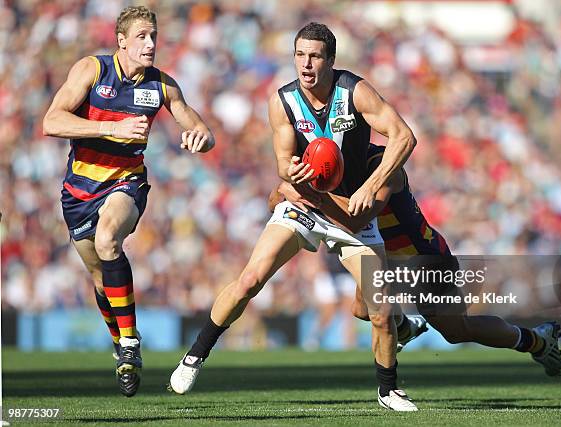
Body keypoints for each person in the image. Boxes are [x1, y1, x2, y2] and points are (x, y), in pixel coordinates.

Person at [170, 22, 420, 411]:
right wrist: (293, 177)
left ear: (331, 61)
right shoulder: (282, 102)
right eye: (300, 55)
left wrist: (371, 185)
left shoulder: (355, 91)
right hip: (306, 204)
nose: (306, 64)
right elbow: (284, 168)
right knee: (250, 279)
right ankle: (195, 356)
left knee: (380, 308)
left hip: (350, 208)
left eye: (315, 56)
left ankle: (388, 391)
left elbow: (403, 136)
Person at [276, 143, 561, 387]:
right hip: (385, 258)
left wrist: (312, 196)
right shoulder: (329, 164)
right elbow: (277, 197)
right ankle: (404, 326)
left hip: (422, 258)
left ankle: (537, 340)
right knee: (361, 310)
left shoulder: (382, 164)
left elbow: (358, 216)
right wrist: (286, 192)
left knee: (457, 331)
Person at [42, 6, 214, 397]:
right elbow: (51, 121)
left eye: (154, 35)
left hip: (127, 183)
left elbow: (200, 126)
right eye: (142, 36)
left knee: (108, 240)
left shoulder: (161, 85)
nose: (151, 44)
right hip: (78, 192)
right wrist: (111, 127)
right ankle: (124, 342)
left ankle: (131, 345)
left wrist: (201, 137)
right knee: (101, 279)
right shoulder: (92, 70)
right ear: (121, 41)